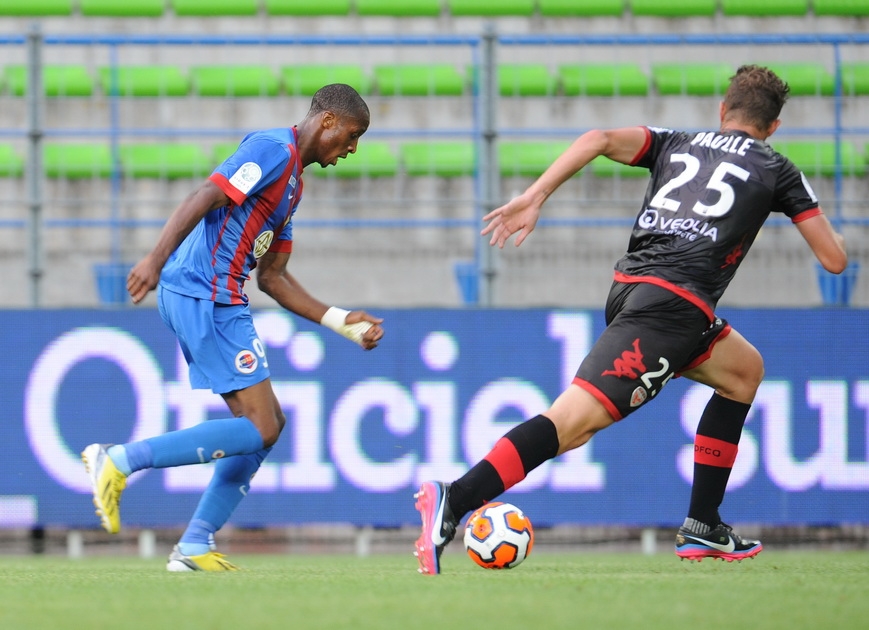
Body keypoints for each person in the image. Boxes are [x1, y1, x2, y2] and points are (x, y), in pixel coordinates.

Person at [414, 65, 848, 575]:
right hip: (671, 309)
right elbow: (834, 260)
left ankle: (704, 524)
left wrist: (534, 196)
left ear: (722, 111)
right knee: (571, 425)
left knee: (743, 371)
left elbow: (597, 139)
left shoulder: (677, 142)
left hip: (634, 291)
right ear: (773, 127)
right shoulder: (776, 168)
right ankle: (455, 499)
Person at [82, 83, 384, 572]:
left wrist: (339, 320)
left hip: (217, 295)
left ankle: (194, 544)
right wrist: (155, 259)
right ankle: (119, 461)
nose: (352, 149)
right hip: (205, 291)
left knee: (268, 426)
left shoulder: (293, 185)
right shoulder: (272, 149)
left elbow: (273, 277)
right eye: (352, 135)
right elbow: (207, 194)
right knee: (262, 426)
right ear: (327, 120)